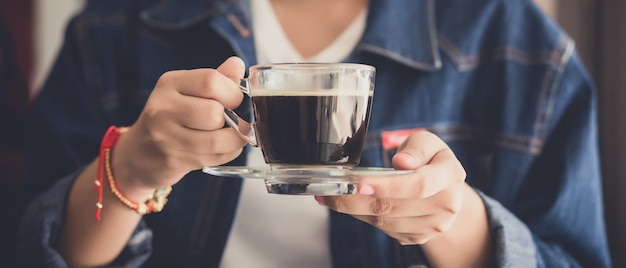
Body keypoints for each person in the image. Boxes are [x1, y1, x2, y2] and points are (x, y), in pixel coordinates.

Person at [17, 0, 611, 267]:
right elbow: (22, 246)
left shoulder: (523, 48)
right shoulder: (114, 25)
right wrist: (129, 170)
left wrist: (461, 227)